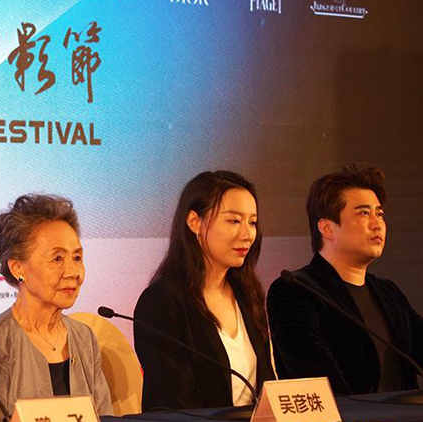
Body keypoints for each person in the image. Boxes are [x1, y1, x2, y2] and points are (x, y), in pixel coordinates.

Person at [267, 164, 423, 394]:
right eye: (364, 213)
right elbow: (314, 376)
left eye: (380, 214)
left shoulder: (388, 292)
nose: (377, 224)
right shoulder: (295, 289)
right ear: (327, 228)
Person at [134, 171, 275, 411]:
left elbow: (267, 387)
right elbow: (174, 401)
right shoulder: (162, 300)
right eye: (234, 221)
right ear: (194, 222)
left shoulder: (248, 293)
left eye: (252, 222)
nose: (247, 234)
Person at [0, 194, 112, 421]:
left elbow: (104, 417)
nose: (73, 272)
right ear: (18, 268)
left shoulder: (84, 338)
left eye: (77, 258)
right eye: (57, 259)